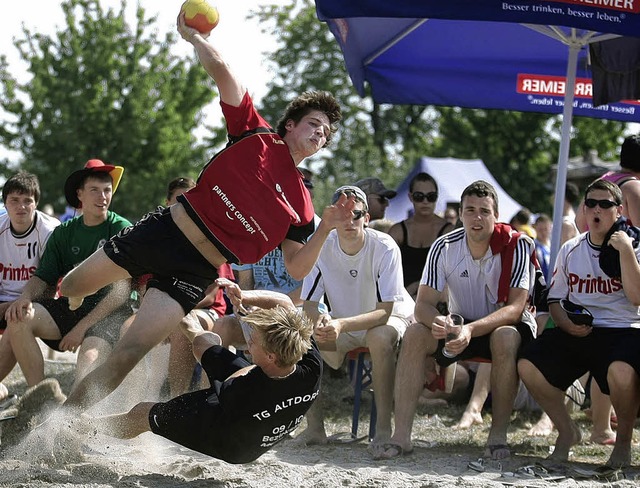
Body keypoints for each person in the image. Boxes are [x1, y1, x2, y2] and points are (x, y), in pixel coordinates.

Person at [58, 13, 351, 412]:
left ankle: (62, 423)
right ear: (291, 124)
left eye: (326, 134)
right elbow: (223, 72)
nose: (320, 134)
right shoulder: (256, 135)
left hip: (196, 270)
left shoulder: (301, 201)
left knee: (129, 353)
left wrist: (326, 228)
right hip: (165, 233)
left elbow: (297, 268)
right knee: (72, 286)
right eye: (314, 124)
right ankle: (78, 298)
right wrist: (195, 37)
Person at [90, 278, 322, 465]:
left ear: (271, 356)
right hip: (261, 407)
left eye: (253, 341)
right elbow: (286, 304)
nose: (247, 343)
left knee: (143, 413)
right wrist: (244, 296)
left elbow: (221, 368)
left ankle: (84, 428)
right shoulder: (309, 362)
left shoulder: (243, 389)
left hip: (232, 440)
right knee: (203, 344)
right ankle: (189, 325)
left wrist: (207, 343)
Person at [382, 180, 537, 460]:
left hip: (501, 326)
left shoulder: (517, 245)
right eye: (470, 210)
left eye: (484, 211)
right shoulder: (444, 246)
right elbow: (423, 306)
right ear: (461, 213)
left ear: (496, 216)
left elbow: (516, 308)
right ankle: (400, 435)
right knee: (417, 332)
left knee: (505, 336)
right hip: (459, 323)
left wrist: (470, 329)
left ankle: (498, 434)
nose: (477, 217)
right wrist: (439, 323)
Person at [518, 179, 640, 469]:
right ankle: (567, 431)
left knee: (622, 373)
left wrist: (625, 251)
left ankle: (622, 443)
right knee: (528, 363)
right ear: (583, 210)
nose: (597, 210)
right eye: (591, 204)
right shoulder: (571, 248)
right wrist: (565, 325)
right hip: (580, 329)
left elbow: (636, 298)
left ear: (619, 211)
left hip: (624, 329)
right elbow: (555, 299)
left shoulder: (634, 244)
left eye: (605, 204)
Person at [296, 185, 414, 456]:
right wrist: (322, 322)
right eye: (341, 214)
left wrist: (339, 325)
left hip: (390, 319)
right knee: (302, 336)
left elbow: (384, 312)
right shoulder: (320, 246)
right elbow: (310, 305)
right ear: (331, 218)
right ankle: (315, 429)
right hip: (343, 323)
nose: (349, 221)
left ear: (367, 218)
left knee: (379, 336)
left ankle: (384, 430)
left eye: (357, 214)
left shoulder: (384, 246)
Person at [3, 160, 133, 391]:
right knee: (19, 317)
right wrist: (25, 298)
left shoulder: (121, 230)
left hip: (109, 313)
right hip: (71, 307)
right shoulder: (64, 232)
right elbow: (43, 277)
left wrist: (81, 328)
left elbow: (120, 293)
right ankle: (41, 395)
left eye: (107, 190)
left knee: (88, 361)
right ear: (80, 194)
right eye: (95, 190)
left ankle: (77, 411)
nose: (102, 196)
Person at [0, 172, 60, 407]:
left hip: (35, 303)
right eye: (14, 200)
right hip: (3, 301)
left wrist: (15, 305)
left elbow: (50, 284)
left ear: (36, 202)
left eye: (28, 200)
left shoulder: (50, 230)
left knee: (18, 318)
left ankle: (41, 399)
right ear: (5, 203)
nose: (21, 206)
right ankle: (5, 393)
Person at [389, 172, 454, 299]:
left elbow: (455, 275)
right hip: (403, 298)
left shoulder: (448, 232)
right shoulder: (397, 231)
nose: (425, 201)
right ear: (410, 197)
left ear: (437, 197)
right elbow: (385, 271)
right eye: (419, 196)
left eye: (431, 196)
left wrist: (419, 287)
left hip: (438, 299)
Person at [533, 213, 552, 283]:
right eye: (540, 230)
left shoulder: (554, 247)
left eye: (546, 229)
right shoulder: (533, 246)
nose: (543, 232)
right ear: (535, 228)